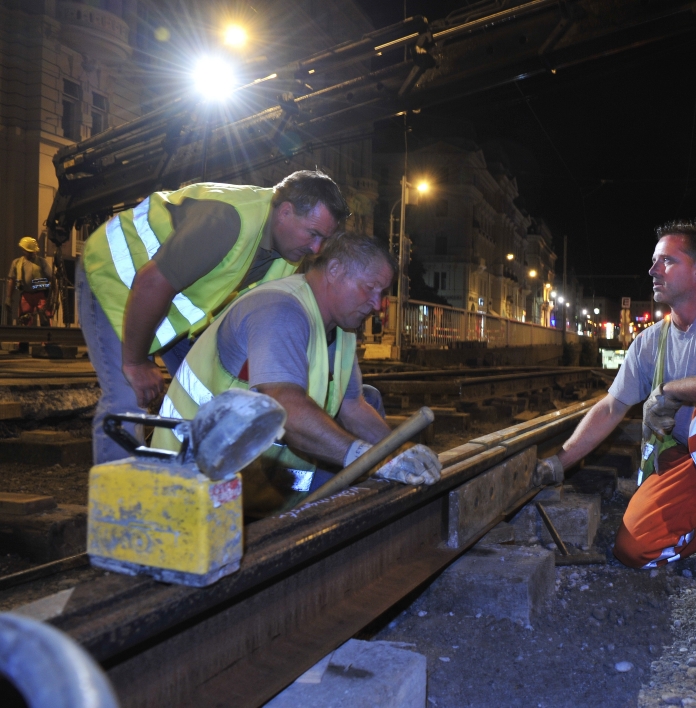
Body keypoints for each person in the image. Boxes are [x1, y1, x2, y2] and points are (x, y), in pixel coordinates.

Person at [535, 221, 696, 605]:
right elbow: (611, 406)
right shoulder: (650, 342)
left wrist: (671, 391)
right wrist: (559, 462)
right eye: (653, 261)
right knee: (633, 549)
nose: (653, 270)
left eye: (666, 261)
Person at [153, 234, 442, 516]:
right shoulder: (281, 310)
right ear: (334, 270)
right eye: (370, 288)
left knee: (369, 397)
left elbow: (353, 407)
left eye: (383, 294)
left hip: (255, 471)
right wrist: (364, 456)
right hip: (200, 473)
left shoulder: (342, 329)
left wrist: (397, 452)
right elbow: (286, 407)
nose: (377, 305)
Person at [77, 170, 349, 464]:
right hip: (113, 280)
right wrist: (136, 361)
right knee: (127, 399)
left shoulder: (286, 255)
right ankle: (120, 506)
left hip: (165, 301)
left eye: (325, 239)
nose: (317, 249)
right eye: (313, 234)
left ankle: (187, 486)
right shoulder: (228, 221)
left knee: (207, 393)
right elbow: (151, 283)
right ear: (285, 212)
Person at [7, 236, 53, 327]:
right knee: (24, 319)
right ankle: (24, 339)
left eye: (33, 251)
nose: (32, 253)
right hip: (26, 295)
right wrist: (8, 297)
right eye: (30, 251)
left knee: (45, 318)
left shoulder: (41, 262)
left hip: (41, 294)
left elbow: (52, 278)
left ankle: (47, 339)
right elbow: (11, 280)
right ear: (23, 250)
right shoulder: (17, 263)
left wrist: (53, 297)